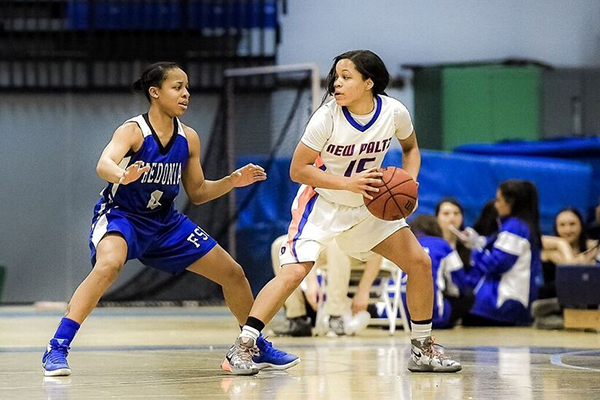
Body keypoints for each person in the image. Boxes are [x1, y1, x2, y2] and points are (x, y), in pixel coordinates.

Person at [42, 62, 298, 377]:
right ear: (155, 92)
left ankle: (254, 347)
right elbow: (103, 163)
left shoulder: (188, 138)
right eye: (177, 87)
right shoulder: (133, 130)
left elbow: (199, 192)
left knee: (233, 274)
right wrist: (123, 174)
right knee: (109, 266)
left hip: (166, 222)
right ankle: (57, 347)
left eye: (187, 87)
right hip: (124, 217)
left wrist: (232, 180)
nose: (185, 94)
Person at [226, 50, 461, 373]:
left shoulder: (394, 112)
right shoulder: (327, 117)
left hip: (368, 205)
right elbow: (298, 170)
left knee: (419, 261)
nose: (337, 83)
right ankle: (242, 347)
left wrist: (410, 182)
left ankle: (422, 349)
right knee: (294, 271)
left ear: (369, 82)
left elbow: (411, 148)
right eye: (336, 77)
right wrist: (347, 183)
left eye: (346, 77)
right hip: (321, 203)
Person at [461, 180, 543, 326]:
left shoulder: (515, 227)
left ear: (510, 202)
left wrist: (475, 249)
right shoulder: (520, 225)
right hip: (507, 304)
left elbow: (495, 264)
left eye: (498, 199)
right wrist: (478, 241)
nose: (495, 204)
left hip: (502, 304)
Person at [271, 235, 383, 337]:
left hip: (361, 251)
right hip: (326, 246)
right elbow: (308, 240)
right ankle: (296, 319)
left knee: (336, 242)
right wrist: (312, 282)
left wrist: (363, 290)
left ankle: (336, 317)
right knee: (282, 244)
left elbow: (378, 247)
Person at [404, 215, 474, 329]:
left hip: (397, 315)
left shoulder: (405, 244)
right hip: (432, 315)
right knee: (468, 297)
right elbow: (460, 282)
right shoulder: (442, 244)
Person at [435, 198, 471, 269]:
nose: (452, 218)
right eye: (446, 214)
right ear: (436, 218)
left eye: (456, 213)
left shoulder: (468, 248)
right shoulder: (431, 244)